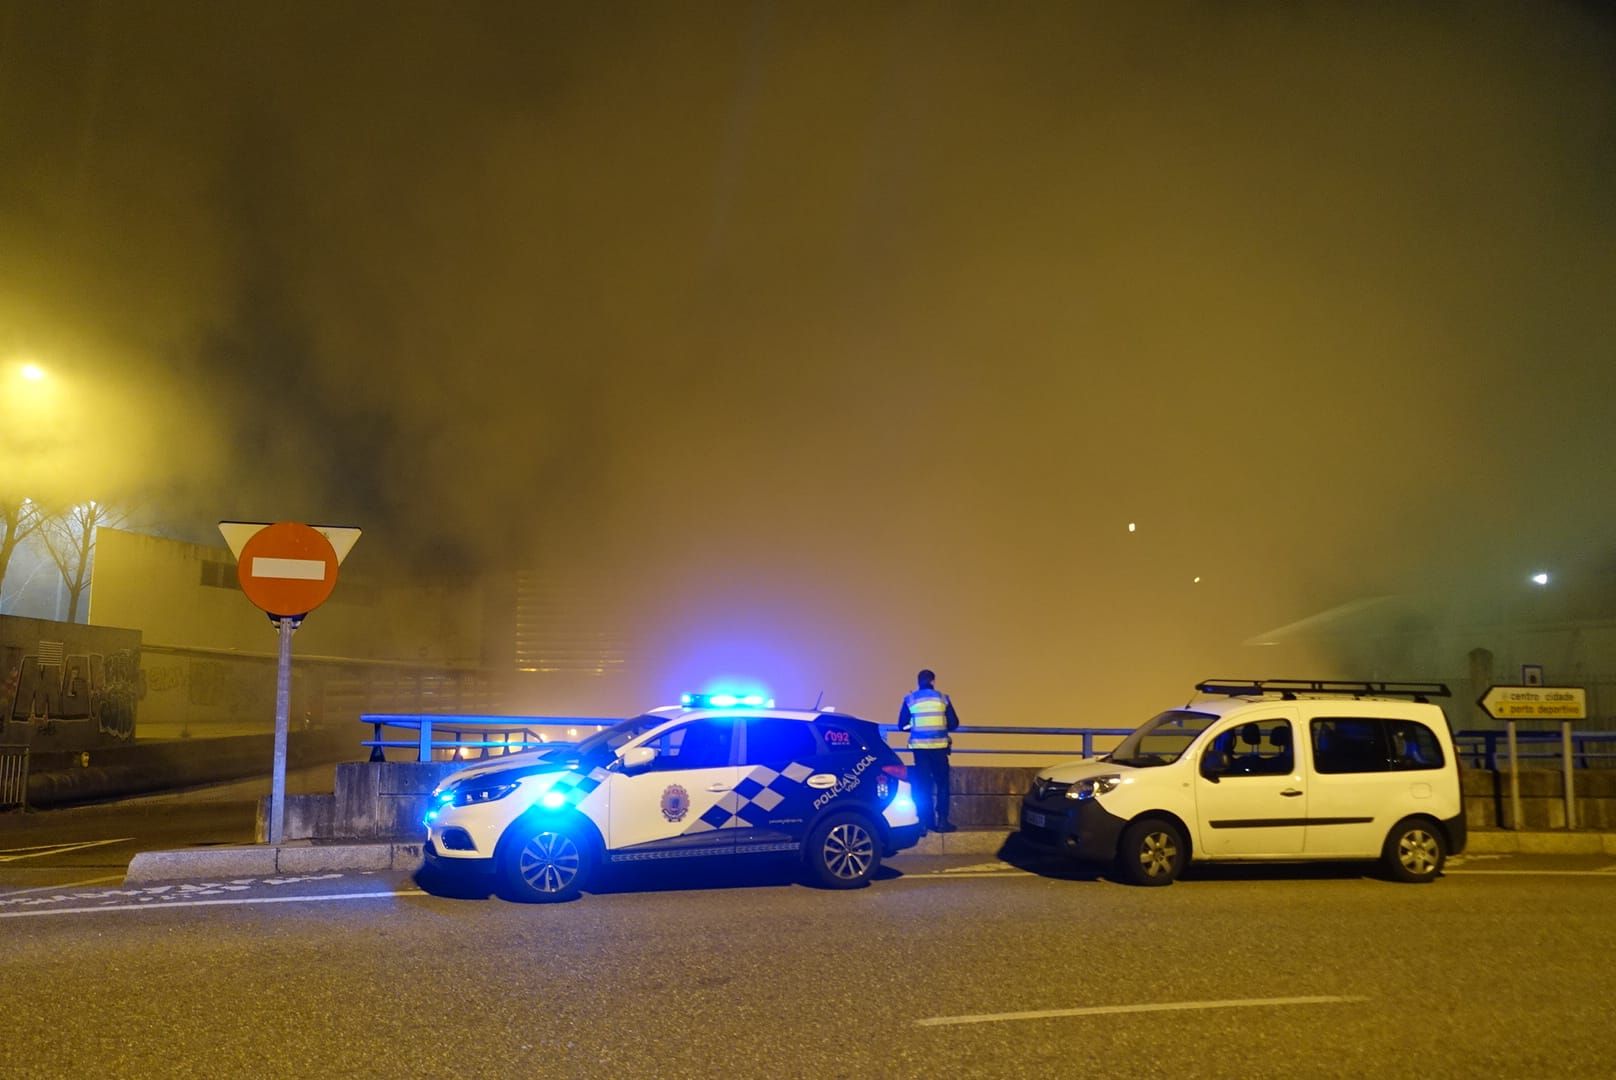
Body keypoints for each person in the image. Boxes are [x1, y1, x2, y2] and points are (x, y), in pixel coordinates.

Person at [898, 668, 960, 833]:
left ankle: (925, 823)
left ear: (918, 682)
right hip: (939, 748)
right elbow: (954, 723)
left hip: (920, 749)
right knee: (942, 784)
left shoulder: (910, 699)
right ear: (933, 681)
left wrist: (915, 725)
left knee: (922, 785)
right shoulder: (942, 698)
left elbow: (901, 725)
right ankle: (943, 822)